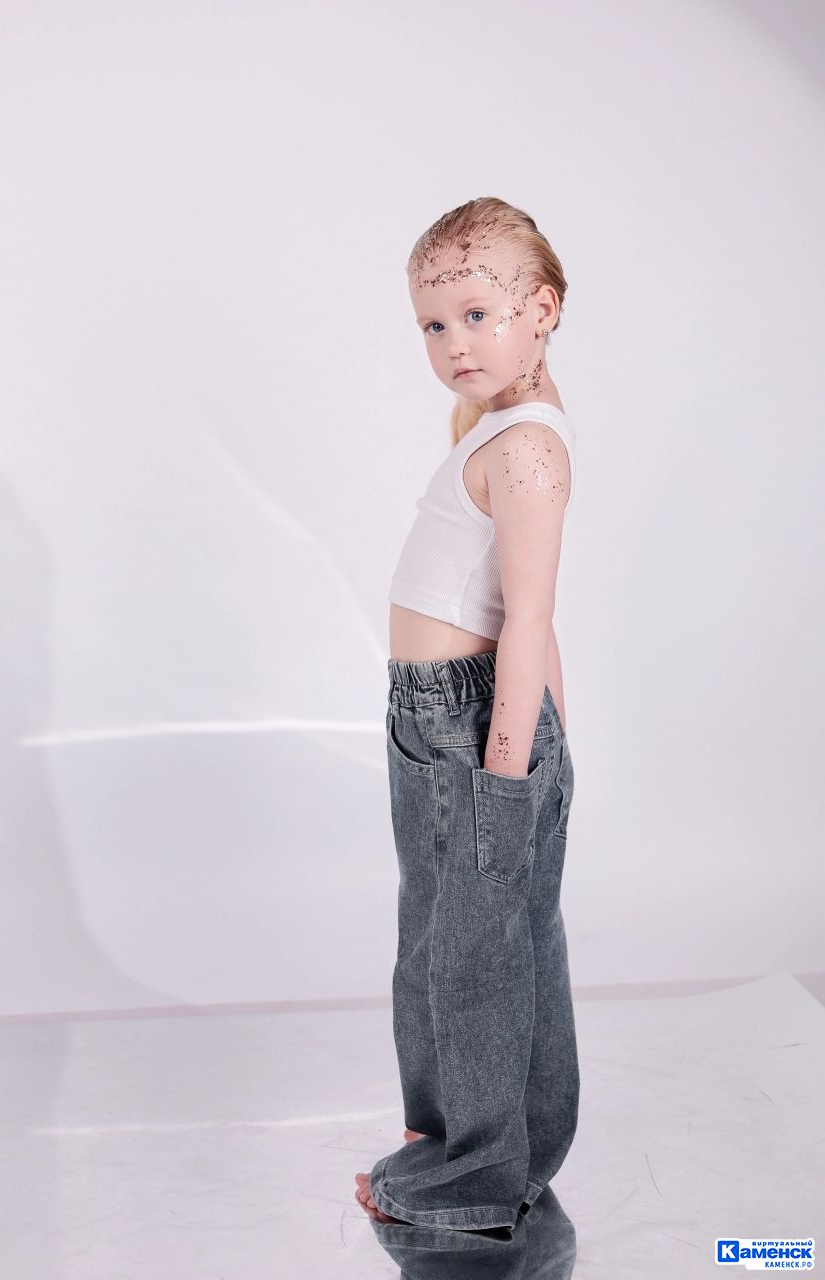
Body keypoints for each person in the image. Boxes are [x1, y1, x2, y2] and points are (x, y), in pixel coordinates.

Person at [355, 196, 579, 1235]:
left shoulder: (527, 448)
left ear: (541, 309)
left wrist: (509, 770)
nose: (454, 344)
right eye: (434, 324)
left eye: (478, 315)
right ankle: (465, 1143)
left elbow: (528, 618)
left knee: (476, 955)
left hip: (471, 726)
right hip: (434, 721)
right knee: (446, 940)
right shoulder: (495, 429)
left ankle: (479, 1175)